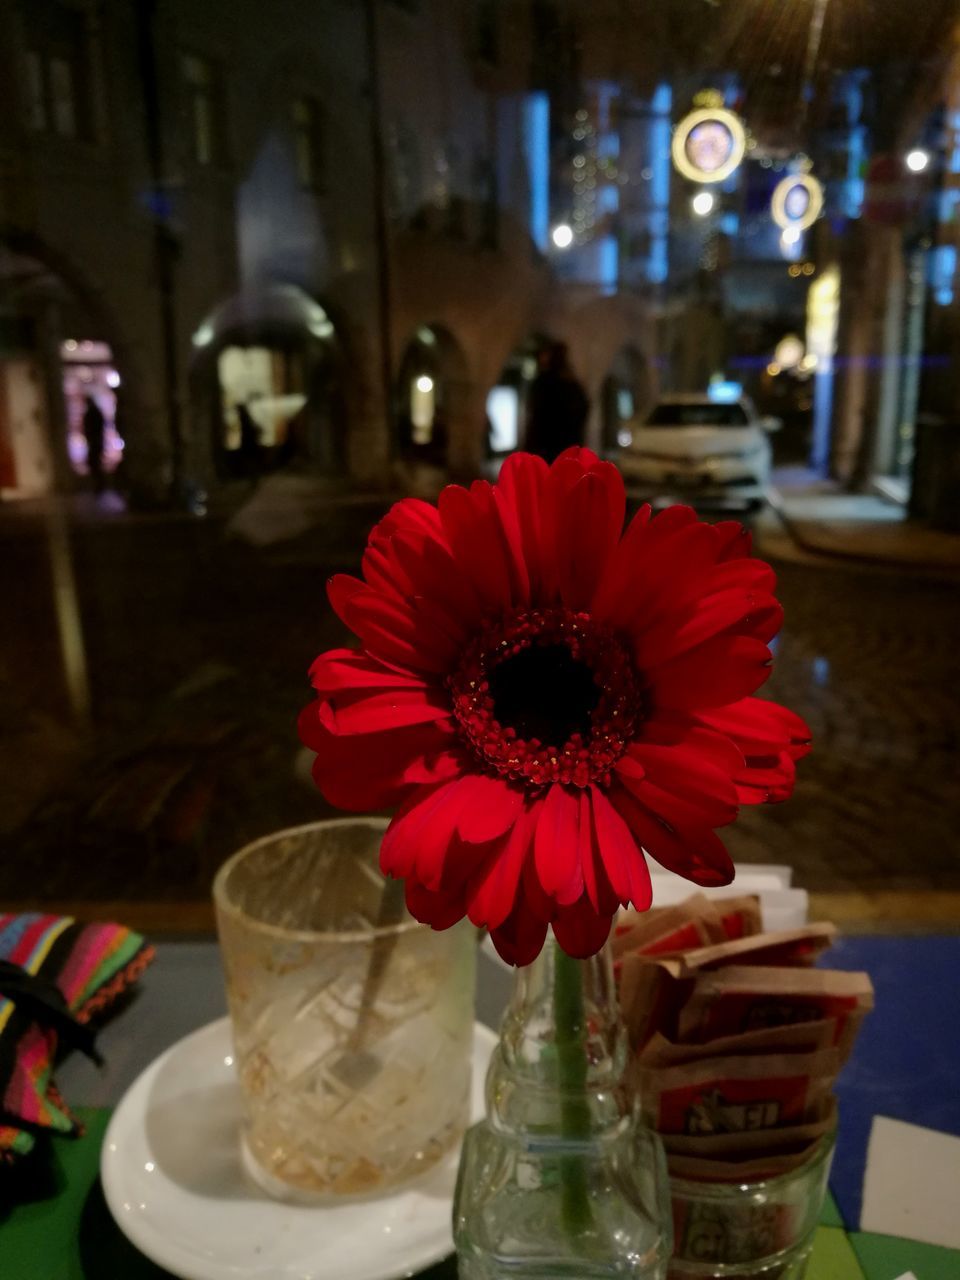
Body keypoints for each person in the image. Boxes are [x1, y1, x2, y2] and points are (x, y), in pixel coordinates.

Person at [524, 342, 589, 463]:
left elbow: (535, 413)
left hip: (546, 445)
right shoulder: (572, 383)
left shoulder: (544, 381)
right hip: (566, 444)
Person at [82, 395, 106, 493]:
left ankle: (98, 486)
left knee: (95, 463)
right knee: (96, 463)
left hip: (94, 441)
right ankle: (99, 485)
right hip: (96, 441)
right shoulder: (96, 412)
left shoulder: (91, 413)